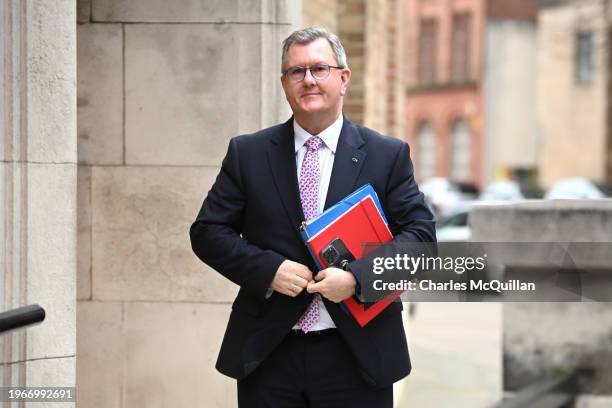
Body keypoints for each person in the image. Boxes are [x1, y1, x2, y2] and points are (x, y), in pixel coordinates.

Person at [190, 27, 435, 408]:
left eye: (319, 69)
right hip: (269, 353)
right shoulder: (248, 153)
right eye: (296, 71)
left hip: (358, 356)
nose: (308, 80)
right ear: (284, 83)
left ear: (343, 78)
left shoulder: (386, 155)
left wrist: (356, 279)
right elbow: (207, 232)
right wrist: (268, 269)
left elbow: (421, 240)